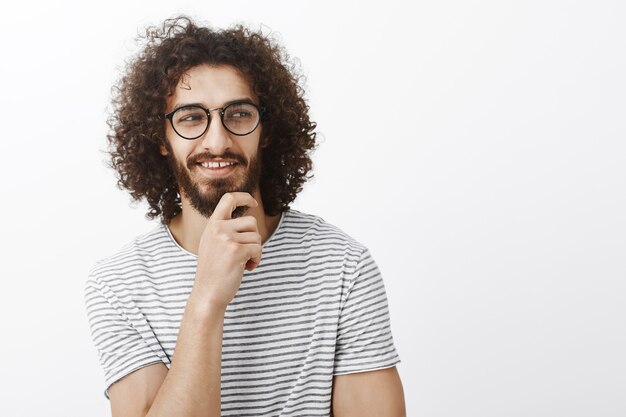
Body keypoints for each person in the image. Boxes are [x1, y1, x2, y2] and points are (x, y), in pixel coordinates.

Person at [85, 16, 405, 417]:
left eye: (237, 114)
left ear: (265, 130)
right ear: (160, 139)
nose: (217, 140)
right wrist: (207, 299)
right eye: (191, 118)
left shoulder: (342, 266)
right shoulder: (118, 286)